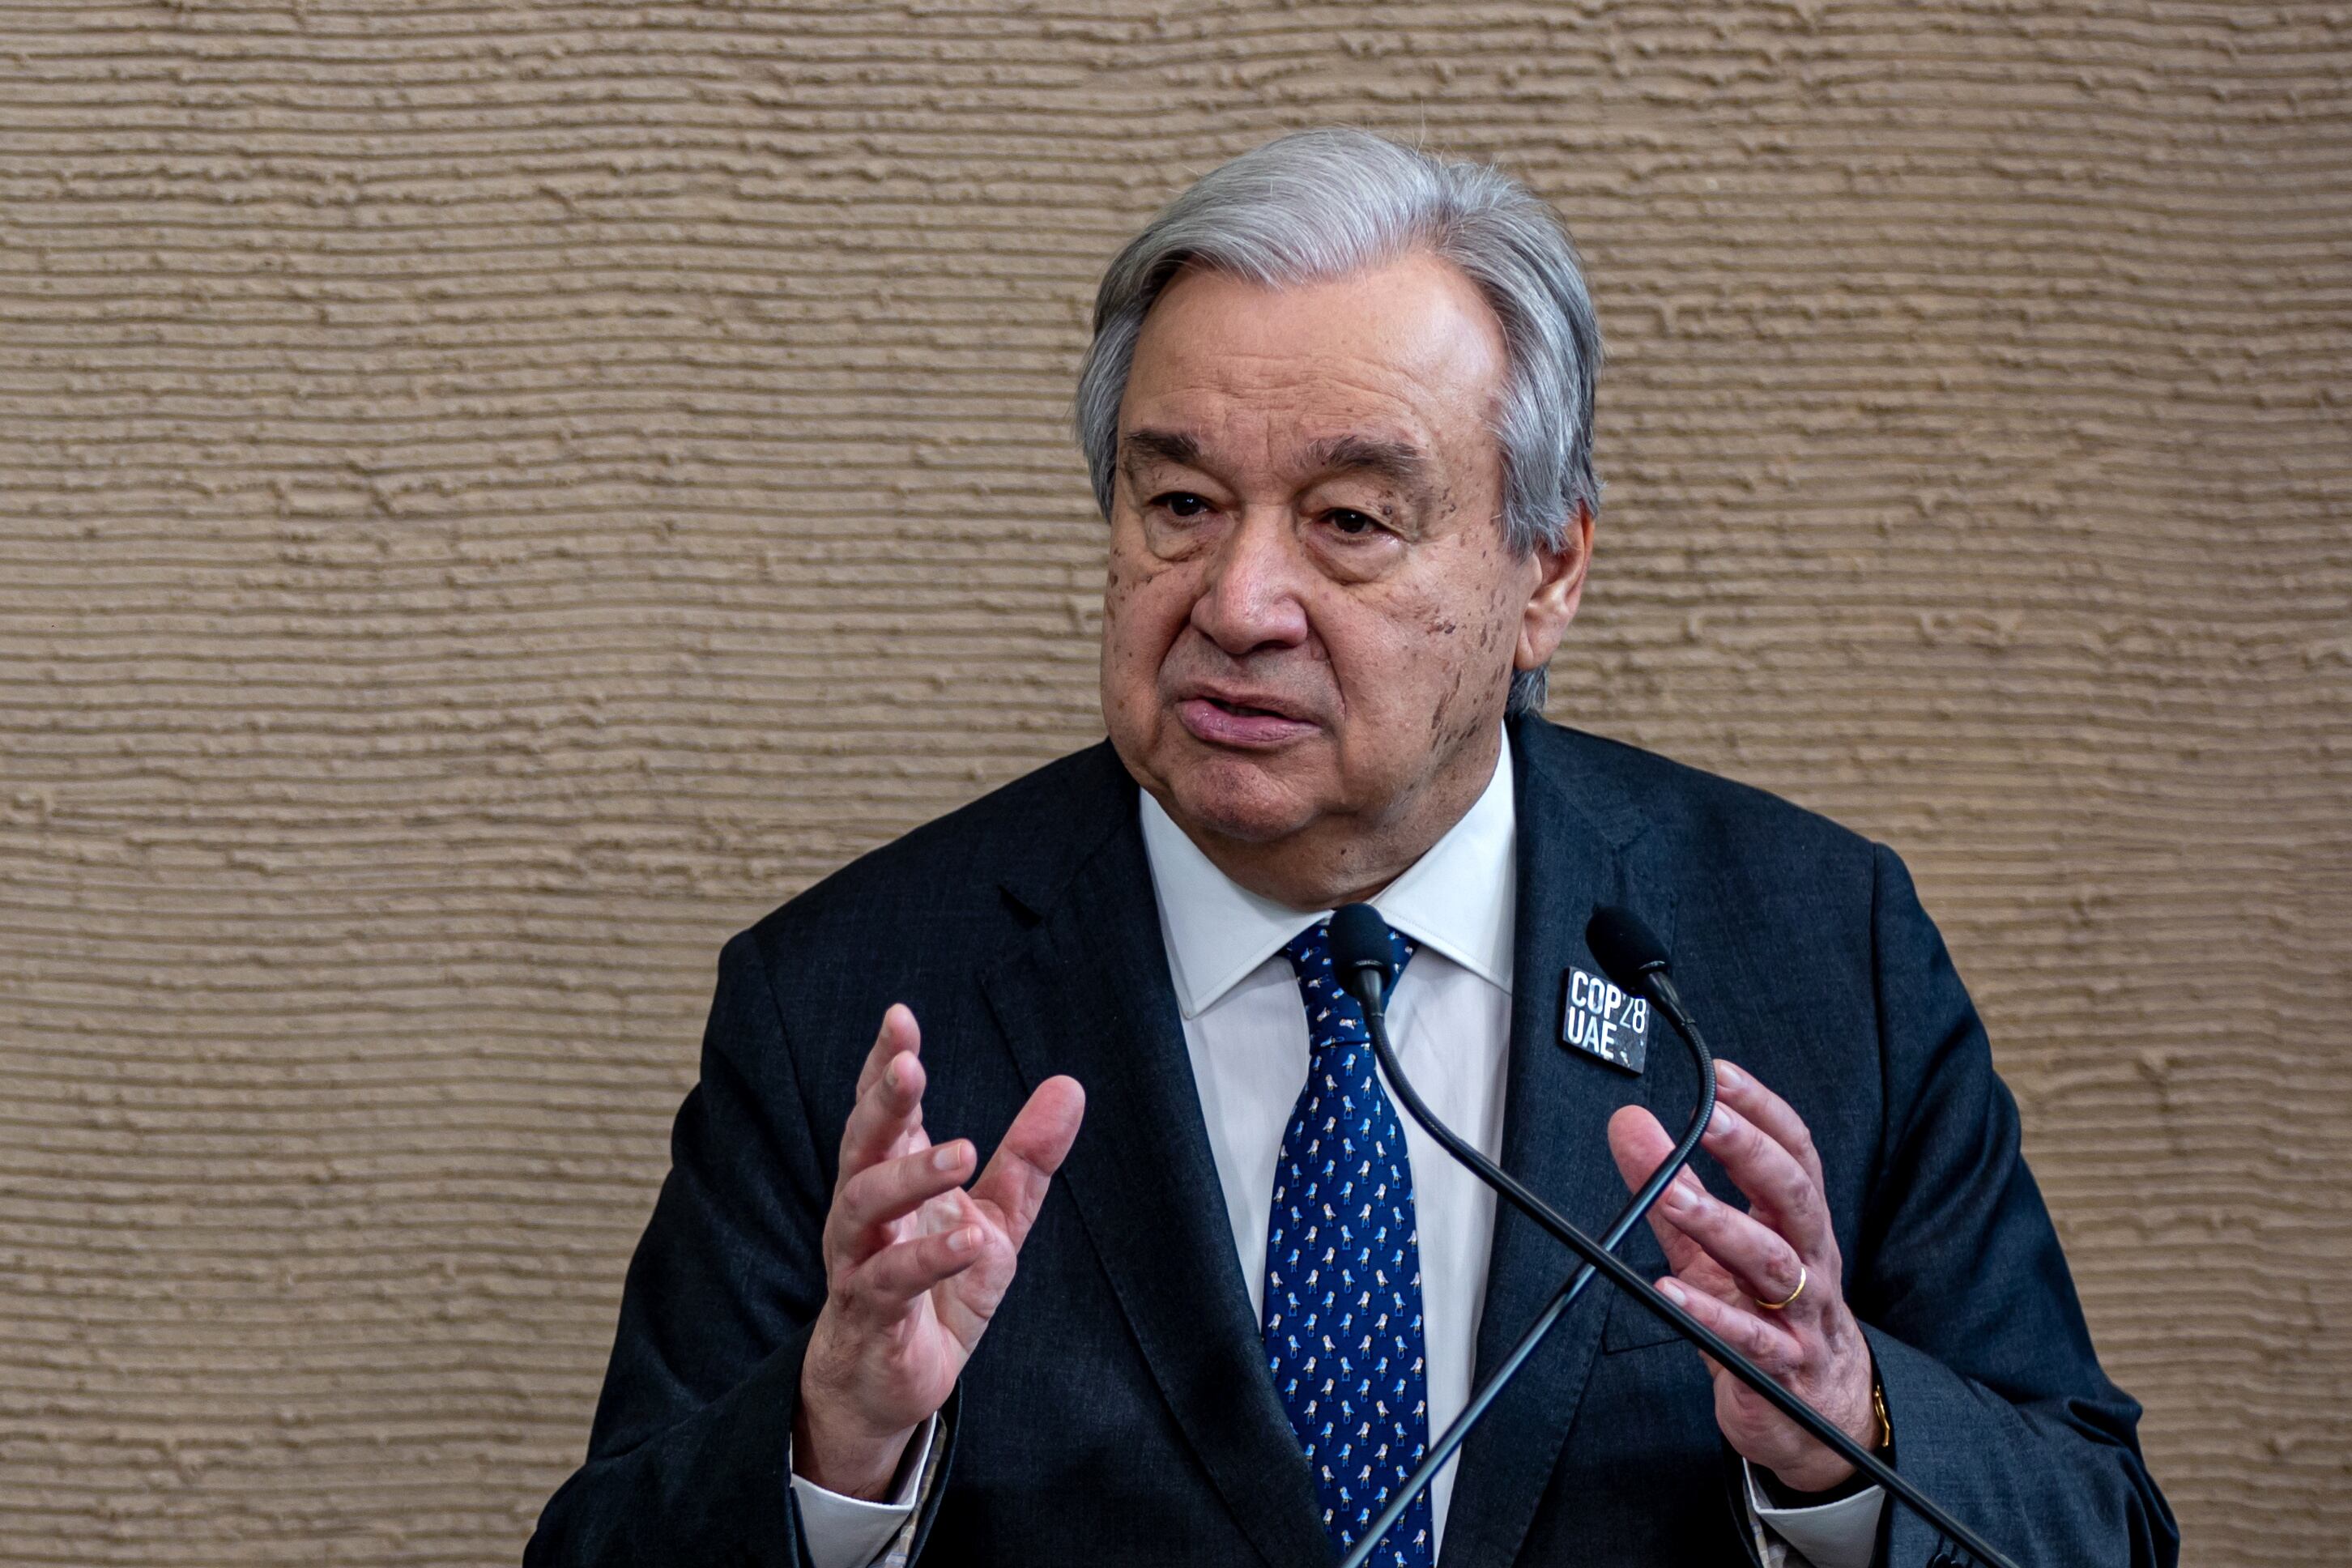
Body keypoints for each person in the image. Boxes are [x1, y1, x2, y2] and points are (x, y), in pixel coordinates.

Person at [525, 129, 2176, 1568]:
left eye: (1352, 522)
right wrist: (835, 1449)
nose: (1240, 604)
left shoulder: (1818, 948)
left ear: (1548, 572)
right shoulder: (847, 1001)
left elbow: (2102, 1524)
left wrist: (1846, 1425)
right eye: (1180, 506)